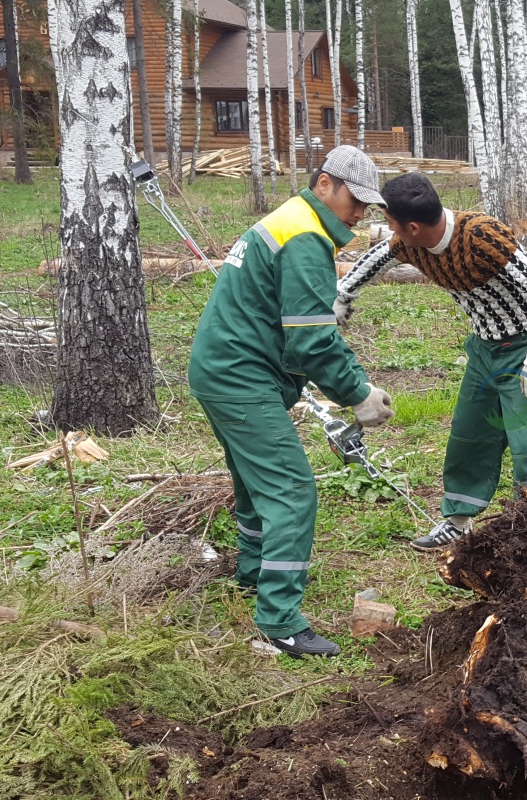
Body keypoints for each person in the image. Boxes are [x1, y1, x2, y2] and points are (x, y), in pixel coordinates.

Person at [188, 145, 395, 657]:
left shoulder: (291, 221)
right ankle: (279, 620)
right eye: (356, 200)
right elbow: (311, 343)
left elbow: (294, 322)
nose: (361, 213)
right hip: (242, 377)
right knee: (292, 492)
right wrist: (358, 394)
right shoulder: (305, 237)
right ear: (325, 184)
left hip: (220, 369)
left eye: (368, 205)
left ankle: (253, 574)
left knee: (254, 486)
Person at [335, 172, 527, 552]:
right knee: (469, 435)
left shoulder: (481, 236)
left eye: (391, 224)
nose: (388, 231)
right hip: (484, 349)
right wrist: (344, 292)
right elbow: (379, 256)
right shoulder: (409, 242)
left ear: (412, 226)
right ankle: (458, 522)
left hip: (526, 348)